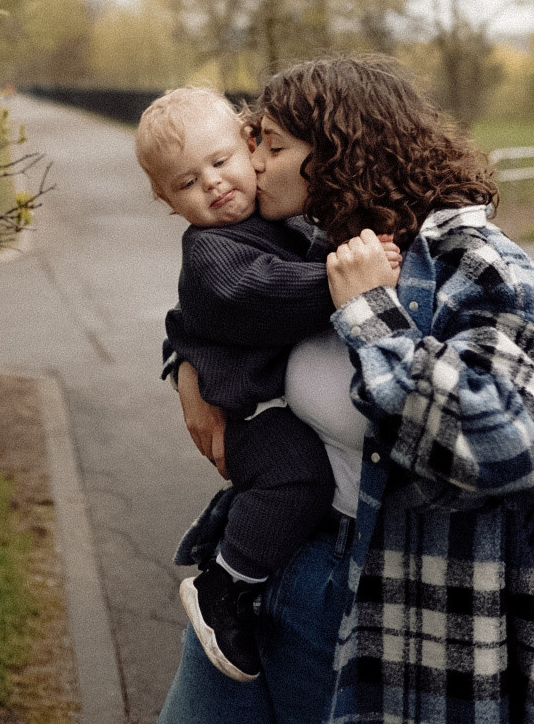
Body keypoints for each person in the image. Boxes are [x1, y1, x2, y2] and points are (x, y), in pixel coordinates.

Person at [158, 56, 534, 724]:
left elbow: (514, 442)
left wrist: (372, 315)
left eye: (275, 147)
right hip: (262, 569)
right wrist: (187, 368)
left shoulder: (471, 260)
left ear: (341, 154)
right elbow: (218, 295)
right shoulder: (316, 240)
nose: (252, 164)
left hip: (383, 602)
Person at [135, 85, 401, 683]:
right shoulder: (211, 248)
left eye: (220, 162)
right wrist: (345, 279)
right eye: (186, 183)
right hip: (250, 416)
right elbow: (248, 294)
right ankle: (223, 588)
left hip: (272, 410)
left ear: (248, 144)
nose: (211, 184)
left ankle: (240, 580)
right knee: (298, 471)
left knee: (297, 473)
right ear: (168, 201)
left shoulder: (285, 220)